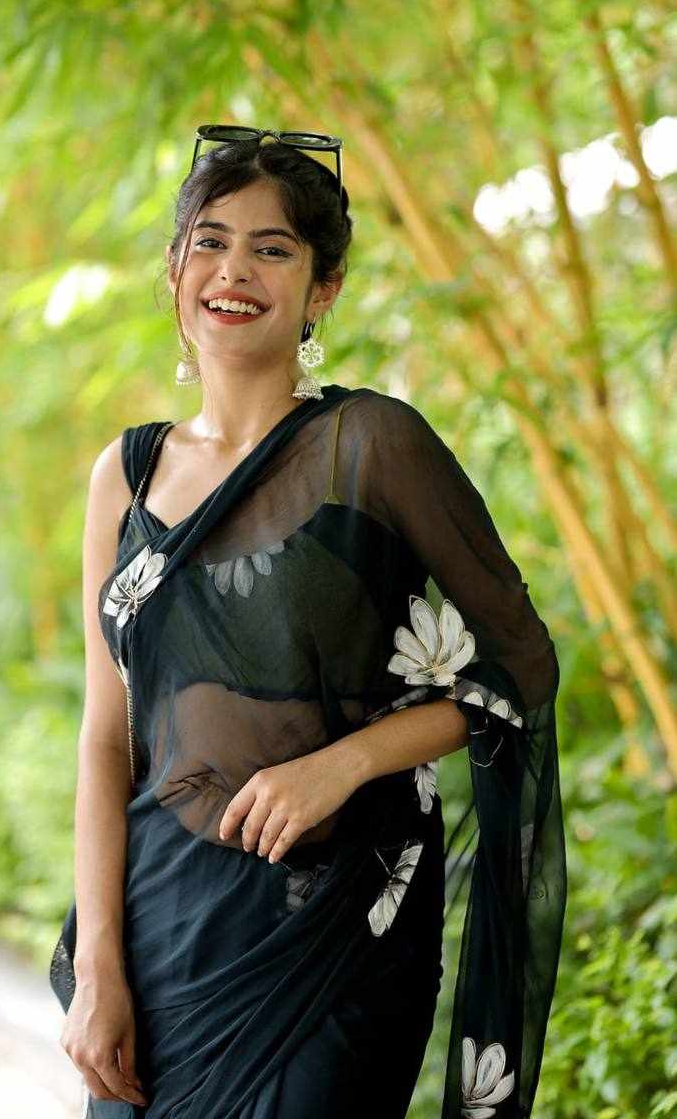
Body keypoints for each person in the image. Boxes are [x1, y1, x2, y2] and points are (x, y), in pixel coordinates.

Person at [50, 131, 567, 1119]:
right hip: (161, 934)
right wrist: (99, 965)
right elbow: (106, 737)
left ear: (322, 288)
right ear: (175, 270)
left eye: (273, 249)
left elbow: (521, 666)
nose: (233, 270)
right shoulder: (125, 473)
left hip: (334, 935)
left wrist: (344, 762)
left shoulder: (368, 444)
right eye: (210, 242)